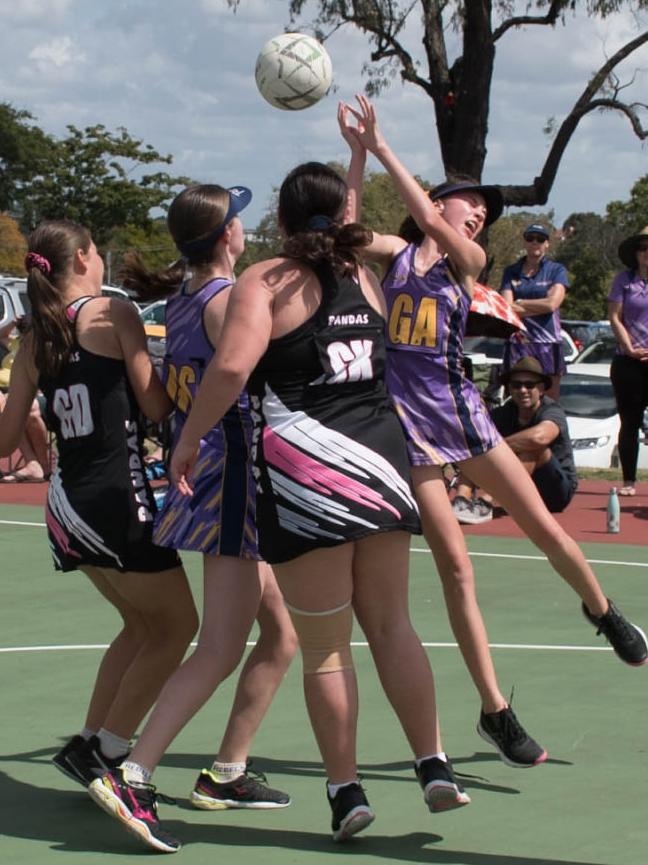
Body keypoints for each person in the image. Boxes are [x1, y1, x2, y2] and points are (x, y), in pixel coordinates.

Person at [90, 161, 471, 850]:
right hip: (382, 462)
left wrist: (187, 441)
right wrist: (364, 153)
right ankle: (432, 761)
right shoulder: (366, 276)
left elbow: (234, 368)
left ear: (282, 222)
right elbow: (353, 233)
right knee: (391, 626)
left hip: (302, 470)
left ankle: (344, 789)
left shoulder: (261, 281)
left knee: (322, 648)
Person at [338, 95, 648, 771]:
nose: (477, 212)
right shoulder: (394, 259)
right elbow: (348, 237)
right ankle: (493, 711)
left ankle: (600, 609)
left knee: (546, 526)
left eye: (483, 209)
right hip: (413, 434)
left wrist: (385, 146)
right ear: (437, 201)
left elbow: (435, 229)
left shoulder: (466, 259)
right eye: (466, 201)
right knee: (455, 567)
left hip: (468, 420)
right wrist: (359, 157)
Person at [88, 184, 298, 853]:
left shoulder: (181, 300)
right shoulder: (226, 303)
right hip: (231, 474)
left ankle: (226, 771)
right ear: (227, 236)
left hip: (211, 475)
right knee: (219, 645)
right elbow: (239, 374)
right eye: (237, 218)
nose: (244, 226)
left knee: (282, 634)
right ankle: (134, 773)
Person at [0, 220, 198, 788]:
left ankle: (87, 740)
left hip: (66, 504)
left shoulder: (35, 337)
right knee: (177, 626)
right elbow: (156, 406)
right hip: (115, 499)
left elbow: (8, 436)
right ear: (86, 256)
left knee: (140, 626)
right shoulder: (112, 314)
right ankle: (107, 752)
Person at [452, 357, 578, 523]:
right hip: (518, 491)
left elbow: (540, 437)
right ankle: (461, 502)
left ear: (541, 389)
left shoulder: (552, 410)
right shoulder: (501, 414)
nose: (523, 390)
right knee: (478, 447)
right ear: (509, 389)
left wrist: (497, 448)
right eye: (516, 385)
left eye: (529, 385)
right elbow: (476, 439)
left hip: (554, 492)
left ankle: (486, 503)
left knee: (534, 449)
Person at [500, 223, 569, 399]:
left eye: (540, 239)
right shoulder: (511, 271)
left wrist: (521, 302)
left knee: (549, 400)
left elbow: (552, 304)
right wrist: (540, 306)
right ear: (525, 242)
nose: (535, 242)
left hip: (548, 342)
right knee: (515, 396)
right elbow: (506, 307)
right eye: (530, 238)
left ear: (547, 243)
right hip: (518, 342)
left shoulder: (556, 270)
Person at [608, 225, 648, 497]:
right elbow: (614, 317)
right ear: (636, 253)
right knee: (629, 422)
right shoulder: (624, 280)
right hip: (628, 361)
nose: (647, 253)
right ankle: (629, 481)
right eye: (643, 248)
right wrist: (629, 347)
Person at [0, 318, 51, 482]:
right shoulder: (15, 344)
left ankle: (40, 464)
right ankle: (33, 463)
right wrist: (13, 322)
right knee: (7, 405)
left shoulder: (42, 349)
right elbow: (1, 334)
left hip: (34, 394)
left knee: (21, 408)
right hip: (8, 392)